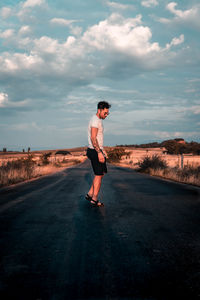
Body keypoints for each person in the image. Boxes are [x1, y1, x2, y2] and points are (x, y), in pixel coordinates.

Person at [86, 101, 111, 206]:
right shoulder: (96, 121)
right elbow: (93, 138)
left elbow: (98, 138)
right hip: (95, 151)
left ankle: (90, 194)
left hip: (97, 150)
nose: (106, 115)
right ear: (99, 110)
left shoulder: (96, 120)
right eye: (105, 113)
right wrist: (99, 152)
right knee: (98, 175)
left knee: (101, 174)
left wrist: (102, 150)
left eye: (107, 113)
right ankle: (94, 199)